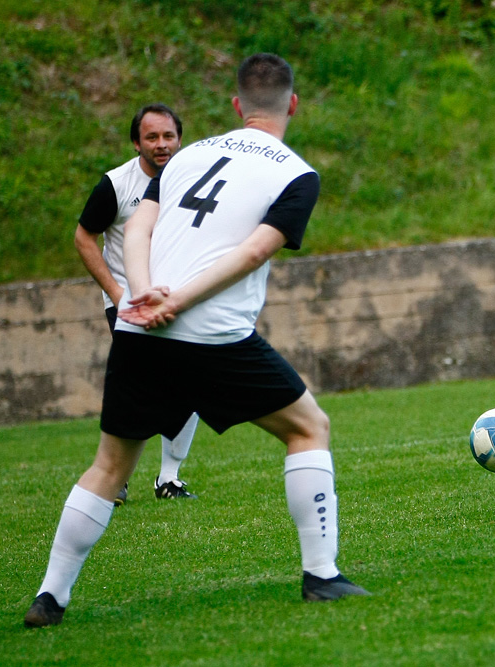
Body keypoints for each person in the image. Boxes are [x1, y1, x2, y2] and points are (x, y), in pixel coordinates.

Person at [24, 53, 369, 628]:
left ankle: (50, 597)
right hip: (214, 338)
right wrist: (179, 302)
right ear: (294, 104)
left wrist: (142, 293)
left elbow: (137, 224)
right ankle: (322, 577)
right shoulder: (296, 174)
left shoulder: (189, 155)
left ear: (235, 105)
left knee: (108, 467)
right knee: (309, 429)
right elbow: (256, 250)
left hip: (140, 330)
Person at [75, 103, 199, 504]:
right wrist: (115, 293)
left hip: (178, 300)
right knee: (138, 390)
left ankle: (169, 479)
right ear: (136, 143)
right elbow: (84, 237)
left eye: (168, 136)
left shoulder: (193, 178)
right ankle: (116, 478)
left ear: (179, 139)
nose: (162, 145)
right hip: (129, 304)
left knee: (189, 385)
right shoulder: (115, 185)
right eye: (152, 137)